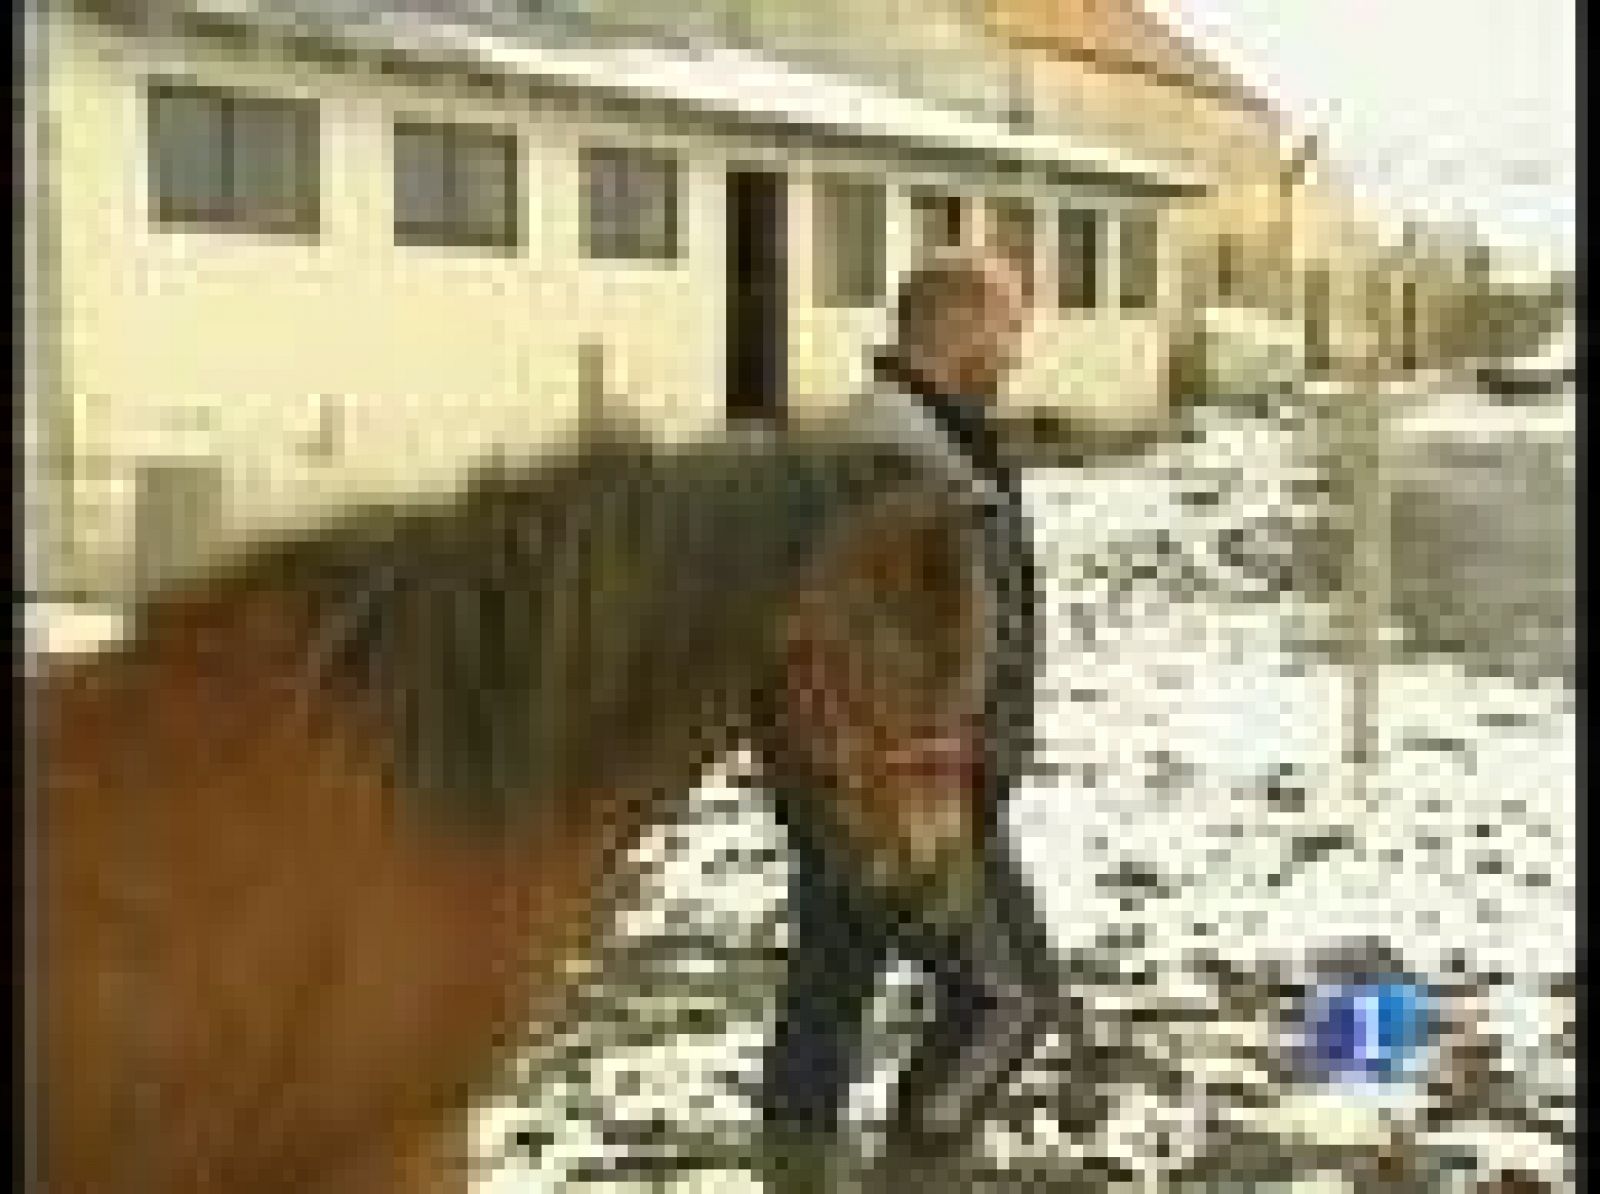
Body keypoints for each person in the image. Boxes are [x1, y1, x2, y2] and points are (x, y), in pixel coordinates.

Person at [756, 249, 1068, 1192]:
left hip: (859, 787)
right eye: (1011, 324)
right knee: (1008, 996)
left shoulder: (931, 437)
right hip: (902, 788)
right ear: (959, 322)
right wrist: (931, 788)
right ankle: (918, 1173)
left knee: (831, 977)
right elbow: (850, 656)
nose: (1019, 348)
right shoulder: (890, 458)